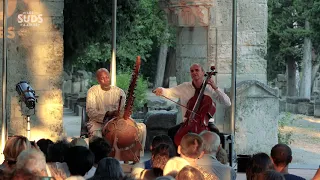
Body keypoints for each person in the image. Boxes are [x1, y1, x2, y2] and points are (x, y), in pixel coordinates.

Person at [153, 64, 231, 143]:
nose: (194, 72)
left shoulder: (210, 88)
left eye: (197, 70)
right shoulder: (184, 86)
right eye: (192, 71)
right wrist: (161, 90)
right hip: (188, 123)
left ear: (203, 72)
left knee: (216, 137)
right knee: (172, 132)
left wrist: (215, 87)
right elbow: (170, 92)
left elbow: (227, 102)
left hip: (205, 124)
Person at [86, 68, 146, 156]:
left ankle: (135, 155)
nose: (105, 80)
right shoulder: (92, 91)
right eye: (102, 78)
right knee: (95, 134)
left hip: (118, 122)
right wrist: (108, 114)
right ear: (98, 80)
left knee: (142, 128)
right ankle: (99, 158)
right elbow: (90, 111)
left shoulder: (119, 92)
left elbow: (122, 111)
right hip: (99, 122)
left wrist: (124, 114)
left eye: (107, 77)